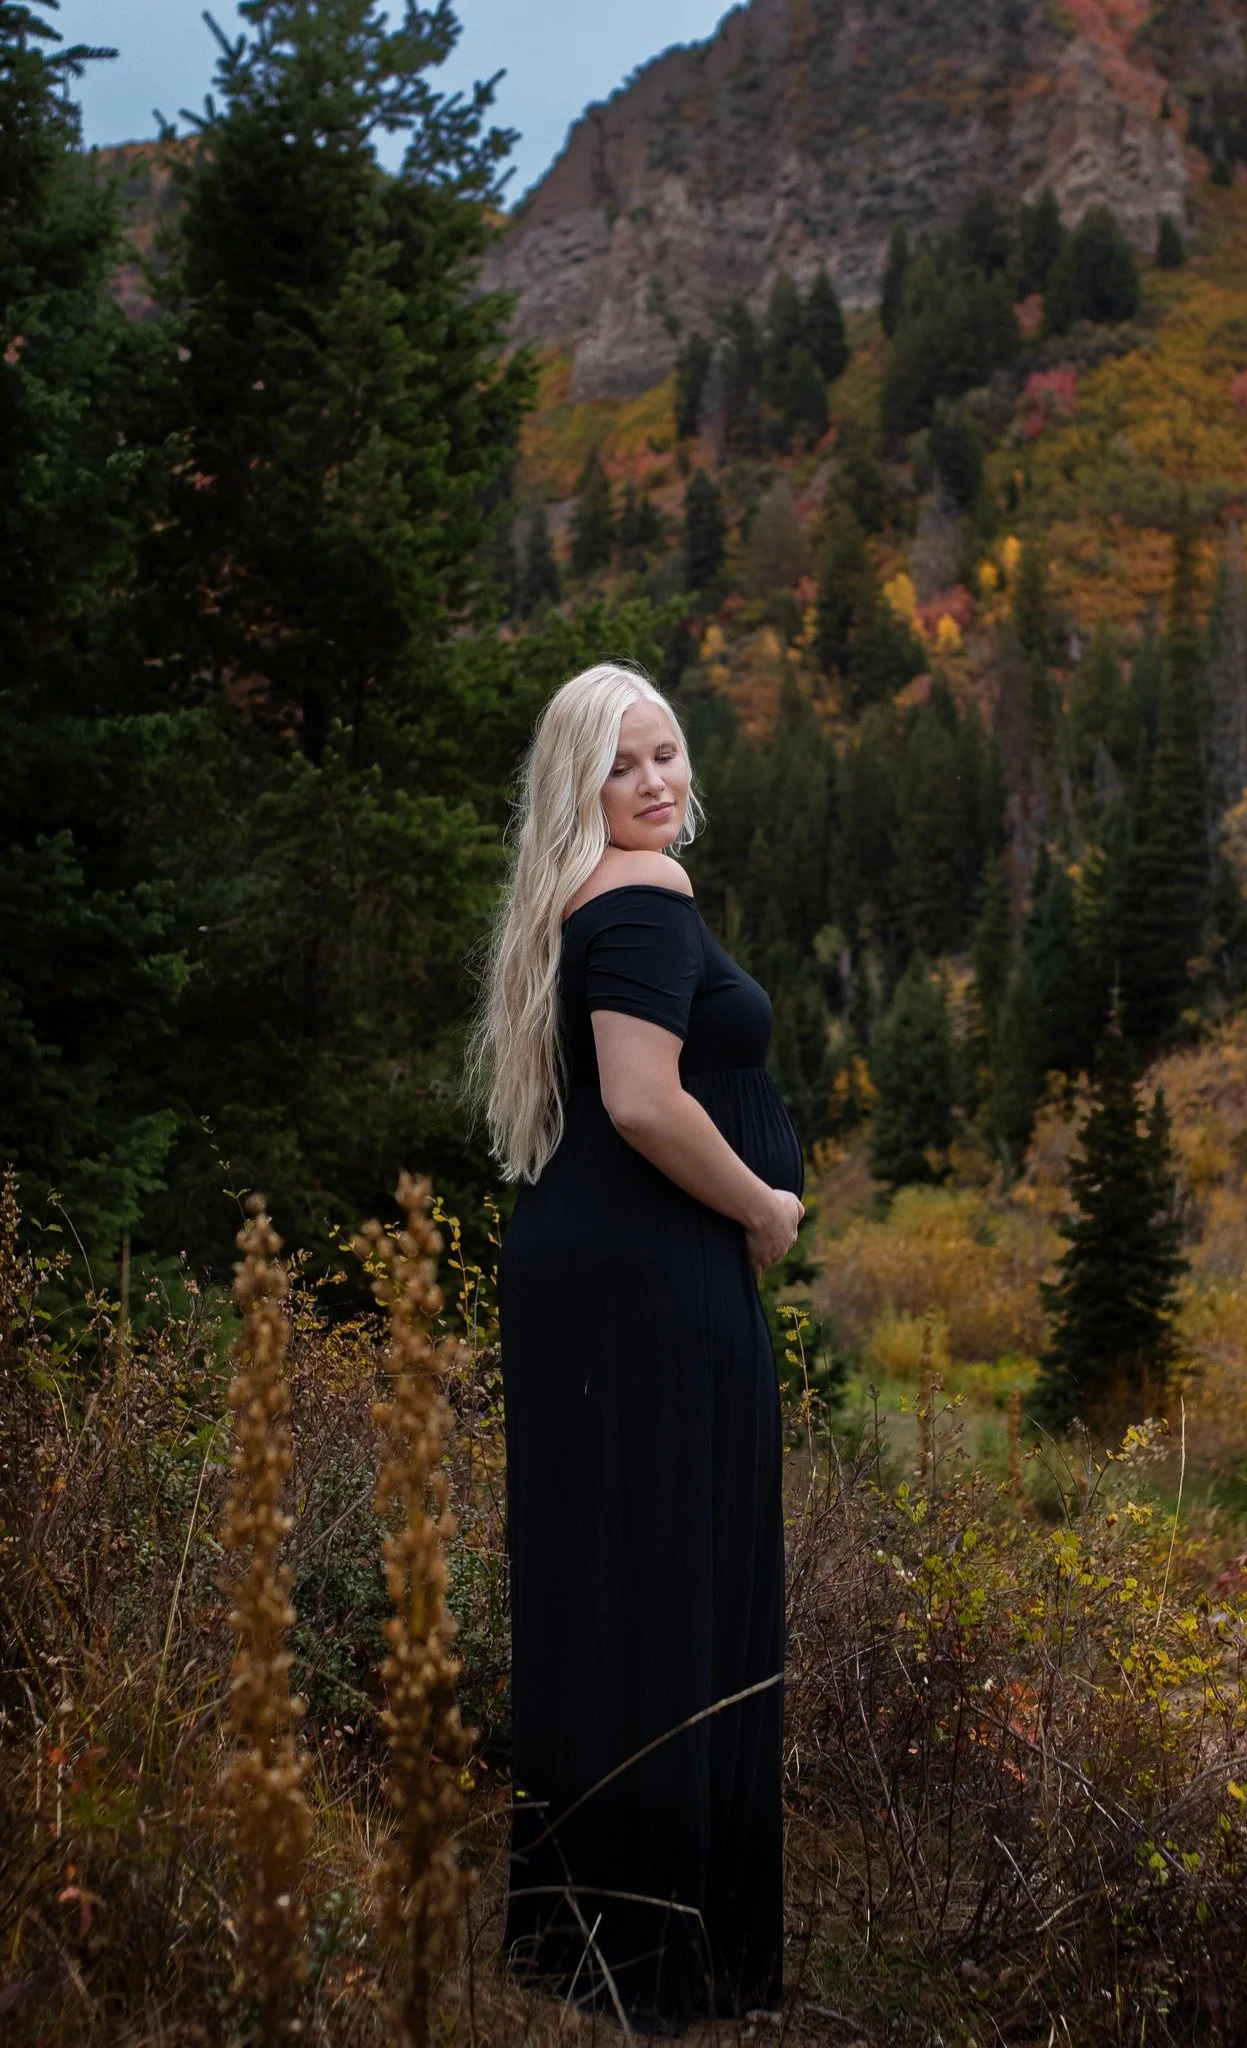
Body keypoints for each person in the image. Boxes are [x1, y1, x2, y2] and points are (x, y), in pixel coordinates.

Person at [473, 661, 805, 2031]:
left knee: (603, 1600)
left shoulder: (579, 901)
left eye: (669, 754)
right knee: (672, 1598)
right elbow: (647, 1103)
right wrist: (766, 1208)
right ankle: (666, 1966)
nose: (660, 783)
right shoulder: (646, 899)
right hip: (651, 1288)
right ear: (582, 788)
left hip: (598, 1281)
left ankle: (584, 1953)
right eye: (626, 766)